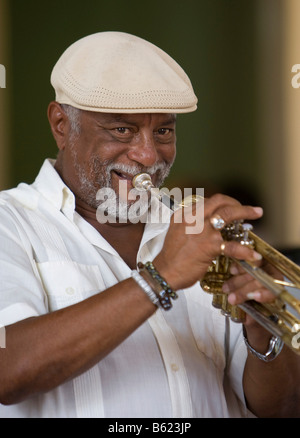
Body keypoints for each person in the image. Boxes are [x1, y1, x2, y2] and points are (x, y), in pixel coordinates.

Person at [0, 31, 299, 418]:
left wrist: (264, 327)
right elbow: (9, 371)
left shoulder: (197, 231)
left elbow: (286, 407)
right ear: (61, 124)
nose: (147, 155)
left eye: (163, 131)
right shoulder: (11, 222)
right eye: (122, 129)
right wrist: (161, 276)